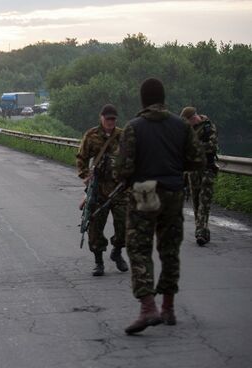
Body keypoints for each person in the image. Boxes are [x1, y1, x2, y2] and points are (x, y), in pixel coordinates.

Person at [115, 78, 204, 335]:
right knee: (169, 249)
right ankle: (168, 307)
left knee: (139, 248)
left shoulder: (133, 128)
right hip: (174, 191)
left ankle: (147, 307)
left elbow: (123, 169)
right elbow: (197, 160)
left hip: (145, 192)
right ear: (163, 98)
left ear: (143, 100)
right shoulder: (181, 126)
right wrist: (174, 167)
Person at [76, 104, 129, 276]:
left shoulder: (122, 136)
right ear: (101, 118)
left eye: (113, 119)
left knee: (125, 226)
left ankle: (117, 252)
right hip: (99, 190)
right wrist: (86, 176)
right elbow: (81, 158)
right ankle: (98, 262)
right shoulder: (92, 136)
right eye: (108, 119)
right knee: (95, 229)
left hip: (120, 189)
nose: (110, 122)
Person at [181, 107, 219, 246]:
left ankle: (201, 231)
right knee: (196, 200)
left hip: (207, 169)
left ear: (193, 118)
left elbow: (212, 146)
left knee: (204, 200)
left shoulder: (208, 127)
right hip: (193, 171)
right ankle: (202, 229)